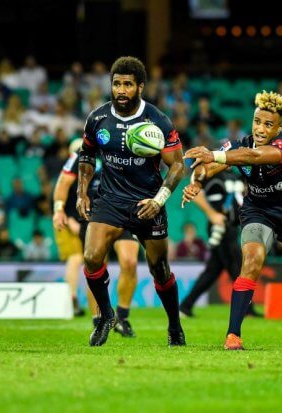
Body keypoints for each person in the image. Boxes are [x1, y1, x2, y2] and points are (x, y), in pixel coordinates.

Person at [183, 91, 282, 351]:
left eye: (267, 124)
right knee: (251, 261)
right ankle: (233, 335)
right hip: (257, 212)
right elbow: (207, 168)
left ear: (279, 127)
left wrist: (215, 156)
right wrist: (197, 182)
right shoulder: (240, 145)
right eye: (257, 122)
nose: (260, 129)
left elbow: (252, 157)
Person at [76, 56, 185, 347]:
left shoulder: (158, 121)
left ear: (140, 87)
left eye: (127, 84)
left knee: (159, 269)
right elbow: (86, 156)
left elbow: (177, 165)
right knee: (91, 256)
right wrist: (82, 192)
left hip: (147, 203)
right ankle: (107, 315)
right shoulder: (98, 119)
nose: (121, 90)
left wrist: (159, 200)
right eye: (116, 84)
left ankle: (174, 326)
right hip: (110, 200)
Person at [54, 138, 141, 332]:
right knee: (96, 267)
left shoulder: (131, 149)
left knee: (130, 262)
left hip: (125, 213)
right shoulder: (83, 152)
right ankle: (99, 320)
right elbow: (64, 180)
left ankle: (123, 317)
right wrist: (59, 209)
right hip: (95, 216)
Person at [179, 168, 260, 318]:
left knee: (213, 271)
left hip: (232, 227)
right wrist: (212, 214)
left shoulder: (236, 175)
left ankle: (185, 306)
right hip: (220, 227)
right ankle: (247, 309)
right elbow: (195, 193)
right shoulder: (210, 174)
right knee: (236, 268)